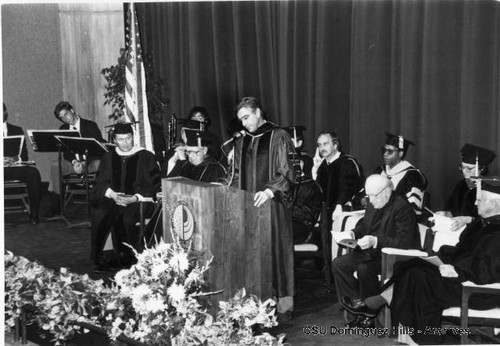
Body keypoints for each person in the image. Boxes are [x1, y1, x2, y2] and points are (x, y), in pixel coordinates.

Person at [340, 177, 500, 345]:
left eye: (480, 200)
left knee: (418, 277)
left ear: (494, 204)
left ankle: (419, 334)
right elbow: (462, 251)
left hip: (477, 289)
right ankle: (382, 307)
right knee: (413, 264)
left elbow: (491, 269)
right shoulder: (478, 226)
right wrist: (443, 257)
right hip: (459, 276)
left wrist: (459, 271)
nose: (475, 203)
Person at [228, 96, 296, 320]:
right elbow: (236, 174)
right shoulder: (241, 140)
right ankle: (255, 301)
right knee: (250, 253)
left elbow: (287, 169)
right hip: (247, 207)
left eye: (247, 117)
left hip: (273, 205)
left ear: (258, 112)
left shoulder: (279, 136)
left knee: (276, 251)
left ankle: (283, 304)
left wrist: (269, 191)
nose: (244, 123)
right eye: (241, 120)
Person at [331, 174, 419, 327]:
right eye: (368, 195)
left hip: (395, 257)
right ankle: (356, 309)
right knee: (339, 264)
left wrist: (375, 241)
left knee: (365, 268)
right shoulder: (374, 202)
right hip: (373, 253)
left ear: (386, 191)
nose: (370, 201)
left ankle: (371, 315)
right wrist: (353, 233)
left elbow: (404, 242)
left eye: (374, 196)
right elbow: (365, 226)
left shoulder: (402, 207)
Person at [91, 122, 160, 271]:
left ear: (133, 137)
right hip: (114, 198)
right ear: (115, 140)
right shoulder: (109, 157)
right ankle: (103, 257)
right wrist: (112, 194)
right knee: (100, 213)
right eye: (120, 139)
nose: (125, 143)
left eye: (128, 138)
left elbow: (154, 185)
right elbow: (100, 183)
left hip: (139, 200)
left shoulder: (145, 156)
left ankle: (131, 259)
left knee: (126, 217)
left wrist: (135, 197)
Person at [50, 101, 106, 194]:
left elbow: (98, 149)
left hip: (89, 163)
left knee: (99, 164)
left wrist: (84, 163)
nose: (65, 119)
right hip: (73, 164)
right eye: (62, 117)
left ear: (72, 110)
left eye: (66, 114)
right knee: (55, 165)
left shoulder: (90, 125)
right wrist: (74, 162)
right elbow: (66, 151)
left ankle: (98, 194)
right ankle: (57, 197)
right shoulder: (63, 129)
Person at [441, 143, 496, 231]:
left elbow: (492, 220)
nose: (464, 171)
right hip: (456, 232)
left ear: (481, 169)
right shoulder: (461, 185)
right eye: (462, 167)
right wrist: (446, 214)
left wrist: (467, 219)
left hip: (478, 235)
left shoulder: (490, 190)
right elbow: (451, 208)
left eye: (469, 168)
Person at [3, 103, 42, 224]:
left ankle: (34, 213)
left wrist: (15, 159)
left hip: (14, 167)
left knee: (33, 173)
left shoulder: (17, 130)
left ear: (6, 112)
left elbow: (24, 155)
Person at [312, 130, 364, 221]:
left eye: (325, 144)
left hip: (344, 212)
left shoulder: (347, 162)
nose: (322, 148)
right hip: (326, 214)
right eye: (319, 145)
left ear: (335, 145)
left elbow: (347, 188)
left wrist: (340, 205)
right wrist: (314, 172)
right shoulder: (323, 164)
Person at [374, 132, 427, 218]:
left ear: (400, 154)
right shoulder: (379, 170)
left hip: (399, 222)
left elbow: (412, 207)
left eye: (390, 151)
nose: (385, 154)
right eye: (384, 150)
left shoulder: (412, 175)